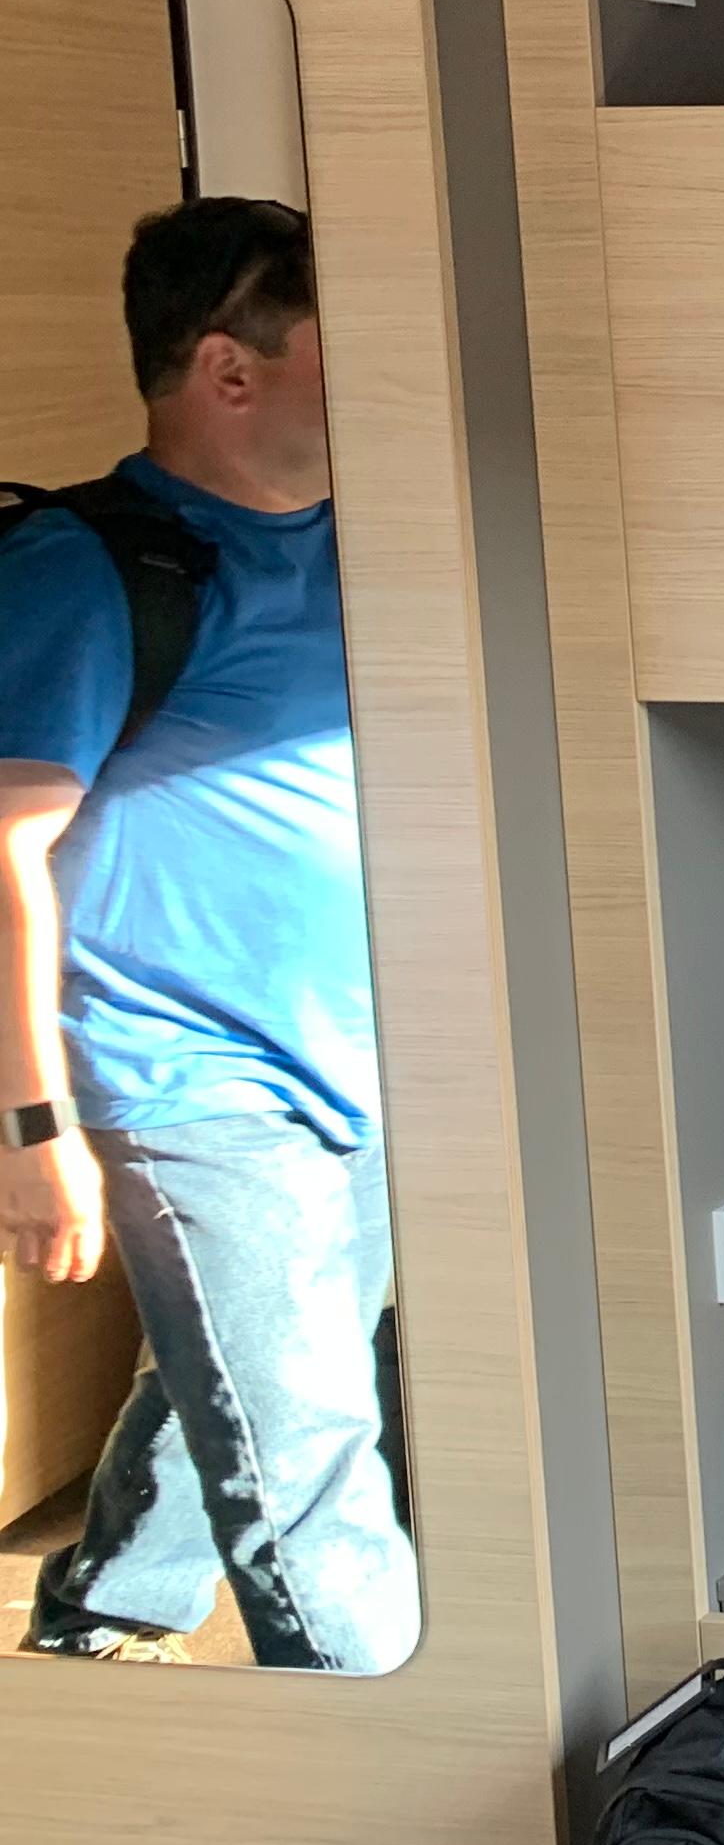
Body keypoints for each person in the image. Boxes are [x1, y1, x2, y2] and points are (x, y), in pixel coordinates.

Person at [0, 197, 413, 1671]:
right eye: (335, 340)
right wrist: (35, 1130)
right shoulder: (88, 567)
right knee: (310, 1477)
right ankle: (405, 1795)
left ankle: (96, 1634)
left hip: (356, 1062)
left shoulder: (357, 546)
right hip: (199, 1089)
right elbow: (4, 853)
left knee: (234, 1388)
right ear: (232, 374)